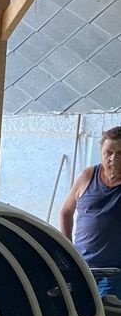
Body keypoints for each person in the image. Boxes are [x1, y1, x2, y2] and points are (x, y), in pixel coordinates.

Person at [60, 126, 121, 297]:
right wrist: (68, 248)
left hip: (115, 272)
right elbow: (66, 211)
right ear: (101, 152)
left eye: (120, 153)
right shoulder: (87, 176)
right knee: (79, 309)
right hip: (82, 266)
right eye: (108, 152)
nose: (113, 158)